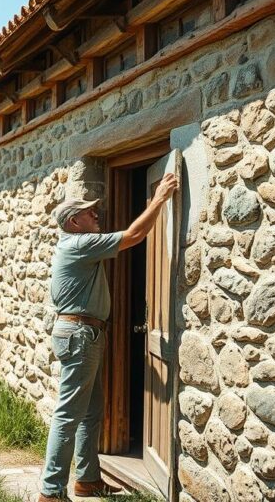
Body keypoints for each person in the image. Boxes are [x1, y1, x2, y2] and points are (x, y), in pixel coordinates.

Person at [38, 172, 179, 501]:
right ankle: (50, 492)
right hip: (81, 336)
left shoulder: (74, 245)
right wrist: (159, 197)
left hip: (82, 334)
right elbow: (133, 235)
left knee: (90, 411)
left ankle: (87, 480)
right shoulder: (79, 243)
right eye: (89, 212)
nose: (96, 215)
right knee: (69, 413)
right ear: (74, 221)